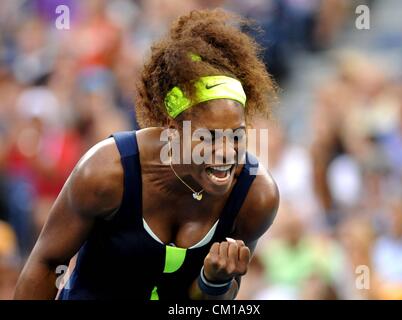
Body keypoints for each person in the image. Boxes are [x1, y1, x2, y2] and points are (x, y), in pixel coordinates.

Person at [14, 9, 279, 300]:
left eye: (237, 135)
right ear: (172, 128)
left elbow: (206, 303)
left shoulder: (256, 197)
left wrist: (213, 282)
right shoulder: (106, 172)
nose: (227, 152)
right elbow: (46, 265)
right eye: (210, 137)